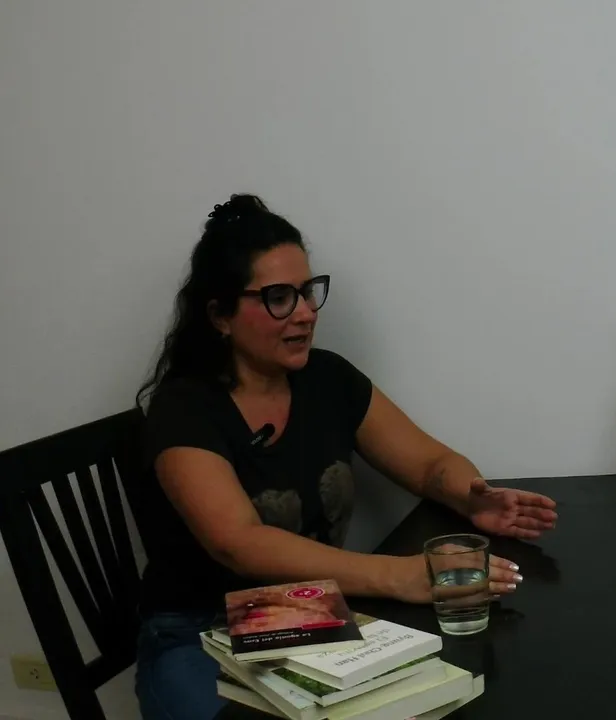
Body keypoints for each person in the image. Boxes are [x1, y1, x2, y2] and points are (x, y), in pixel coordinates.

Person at [131, 194, 559, 720]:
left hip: (309, 614)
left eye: (307, 292)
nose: (305, 313)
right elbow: (239, 543)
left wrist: (471, 498)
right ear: (220, 315)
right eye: (279, 297)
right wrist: (398, 576)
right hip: (199, 632)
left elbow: (428, 464)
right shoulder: (184, 408)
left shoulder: (327, 378)